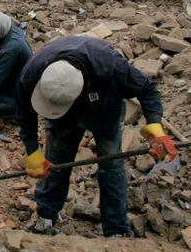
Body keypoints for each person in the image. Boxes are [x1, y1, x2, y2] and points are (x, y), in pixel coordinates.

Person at [16, 36, 178, 237]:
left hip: (104, 111)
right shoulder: (32, 72)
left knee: (111, 167)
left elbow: (147, 89)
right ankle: (46, 214)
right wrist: (32, 150)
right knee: (55, 164)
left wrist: (155, 128)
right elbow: (24, 112)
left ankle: (116, 229)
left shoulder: (109, 66)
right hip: (62, 119)